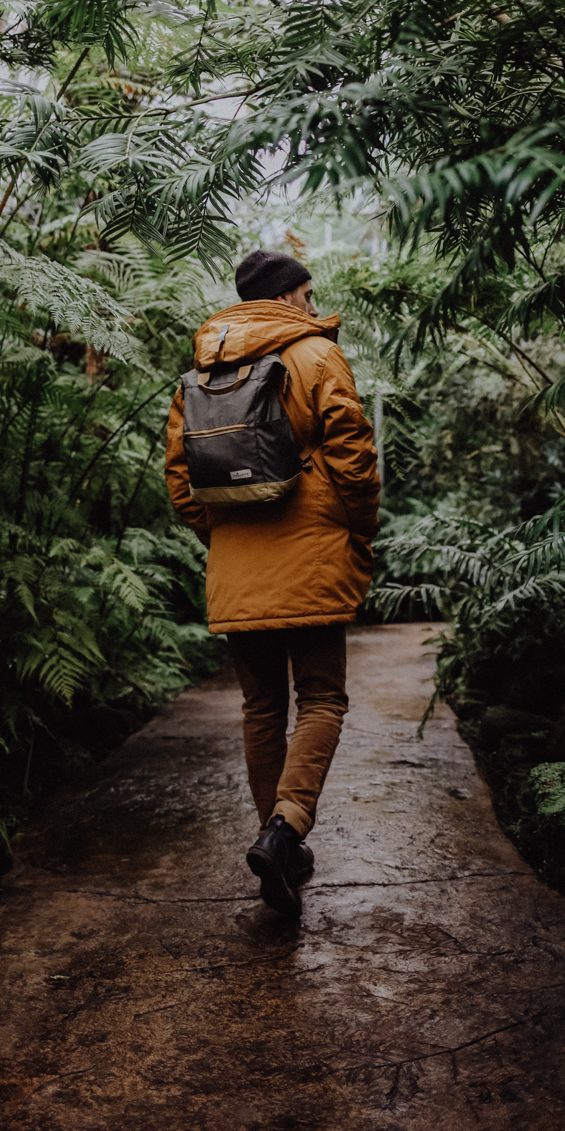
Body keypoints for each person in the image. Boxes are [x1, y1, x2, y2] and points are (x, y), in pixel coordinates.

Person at [165, 249, 380, 917]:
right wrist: (354, 529)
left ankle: (277, 856)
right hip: (312, 556)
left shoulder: (199, 372)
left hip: (237, 567)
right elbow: (355, 455)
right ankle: (285, 829)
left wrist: (224, 536)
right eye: (309, 295)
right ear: (287, 298)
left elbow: (180, 481)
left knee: (262, 709)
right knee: (321, 700)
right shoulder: (316, 357)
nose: (314, 307)